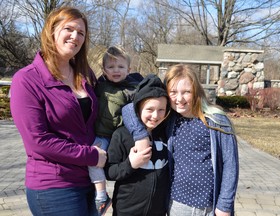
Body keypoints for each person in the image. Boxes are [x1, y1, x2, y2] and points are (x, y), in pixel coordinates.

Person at [10, 6, 107, 216]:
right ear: (51, 31)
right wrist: (90, 156)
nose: (75, 36)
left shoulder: (85, 75)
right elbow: (38, 141)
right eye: (69, 29)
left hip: (89, 180)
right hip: (54, 185)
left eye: (81, 33)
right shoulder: (26, 80)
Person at [122, 64, 239, 216]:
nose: (179, 98)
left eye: (186, 92)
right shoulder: (170, 118)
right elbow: (128, 109)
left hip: (208, 207)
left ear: (196, 91)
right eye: (173, 92)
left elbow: (230, 164)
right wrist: (140, 136)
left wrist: (225, 204)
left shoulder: (216, 119)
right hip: (176, 204)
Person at [88, 46, 143, 215]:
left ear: (129, 69)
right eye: (111, 67)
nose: (116, 70)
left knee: (127, 164)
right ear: (104, 70)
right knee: (94, 158)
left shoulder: (133, 89)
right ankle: (101, 195)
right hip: (102, 134)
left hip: (121, 136)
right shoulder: (99, 87)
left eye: (120, 67)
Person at [105, 74, 170, 216]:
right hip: (127, 210)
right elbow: (109, 171)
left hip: (158, 211)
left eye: (161, 110)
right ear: (138, 108)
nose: (155, 115)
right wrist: (130, 164)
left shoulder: (167, 134)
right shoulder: (121, 135)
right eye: (149, 109)